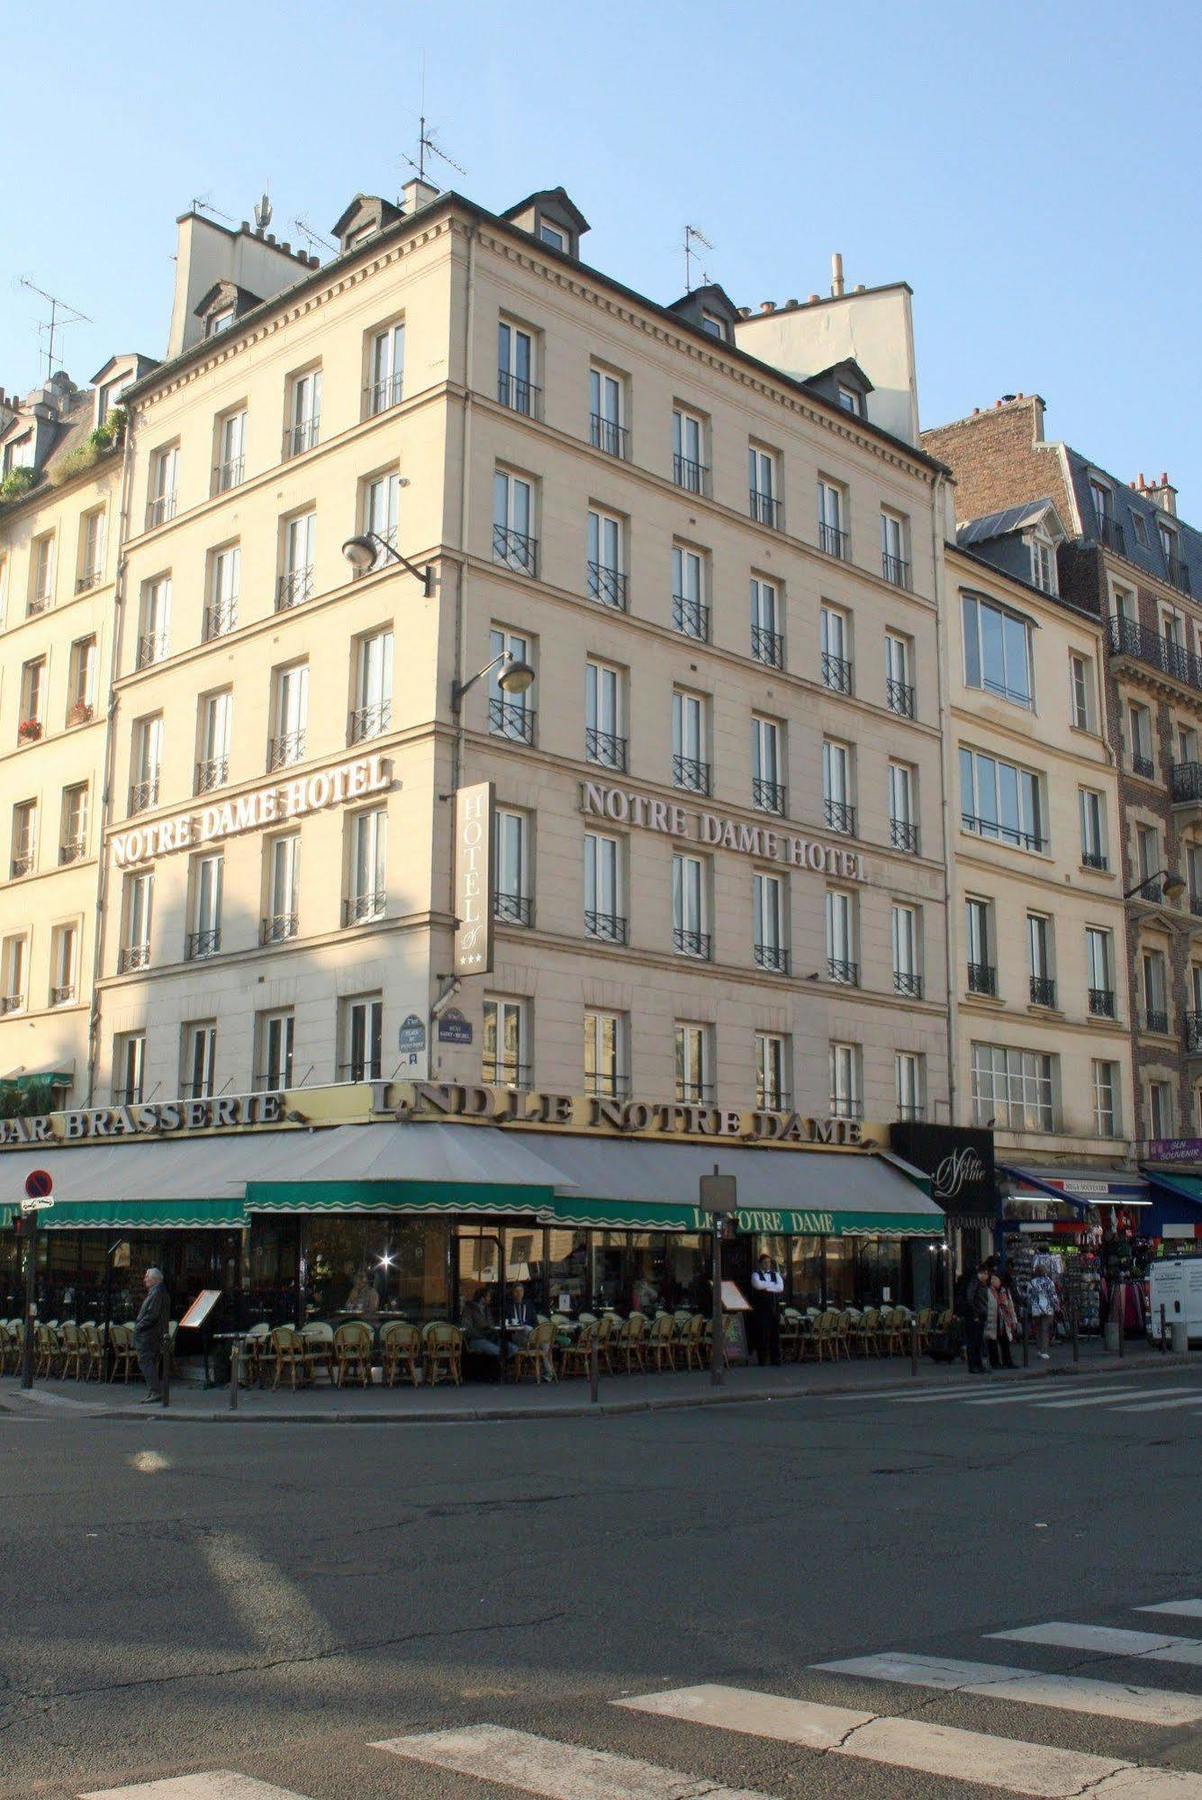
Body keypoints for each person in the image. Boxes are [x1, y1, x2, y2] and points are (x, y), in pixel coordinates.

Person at [133, 1266, 170, 1402]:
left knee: (146, 1362)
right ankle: (153, 1391)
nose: (144, 1280)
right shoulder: (157, 1292)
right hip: (152, 1334)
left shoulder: (156, 1293)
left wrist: (138, 1327)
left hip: (149, 1335)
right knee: (149, 1362)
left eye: (147, 1277)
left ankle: (155, 1391)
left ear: (155, 1279)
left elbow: (152, 1315)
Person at [749, 1252, 784, 1366]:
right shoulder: (755, 1275)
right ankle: (763, 1359)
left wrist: (766, 1286)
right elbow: (757, 1285)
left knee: (775, 1335)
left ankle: (776, 1359)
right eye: (765, 1263)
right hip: (761, 1310)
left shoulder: (776, 1274)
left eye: (769, 1262)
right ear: (760, 1264)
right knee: (762, 1335)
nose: (767, 1265)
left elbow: (780, 1287)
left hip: (774, 1309)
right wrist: (771, 1285)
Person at [962, 1263, 991, 1374]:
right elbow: (970, 1298)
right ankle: (973, 1365)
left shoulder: (981, 1283)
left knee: (978, 1341)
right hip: (975, 1315)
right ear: (980, 1273)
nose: (986, 1275)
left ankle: (978, 1365)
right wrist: (975, 1313)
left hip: (980, 1314)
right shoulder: (975, 1283)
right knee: (973, 1341)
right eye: (985, 1273)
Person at [1028, 1257, 1057, 1360]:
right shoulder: (1050, 1282)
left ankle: (1039, 1349)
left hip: (1036, 1308)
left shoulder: (1032, 1282)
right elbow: (1053, 1295)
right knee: (1045, 1330)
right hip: (1048, 1308)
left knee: (1038, 1329)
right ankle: (1044, 1350)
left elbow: (1029, 1296)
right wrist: (1056, 1305)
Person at [992, 1273, 1016, 1369]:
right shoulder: (992, 1290)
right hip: (995, 1317)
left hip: (1002, 1318)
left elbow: (1008, 1305)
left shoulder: (1003, 1290)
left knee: (1004, 1340)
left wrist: (1012, 1319)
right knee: (994, 1341)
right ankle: (997, 1362)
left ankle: (1006, 1361)